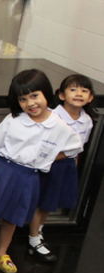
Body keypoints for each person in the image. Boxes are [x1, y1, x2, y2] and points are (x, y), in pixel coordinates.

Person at [0, 69, 82, 273]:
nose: (30, 103)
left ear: (46, 93)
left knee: (12, 217)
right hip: (1, 170)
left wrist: (47, 158)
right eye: (23, 99)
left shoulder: (59, 125)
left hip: (28, 176)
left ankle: (1, 252)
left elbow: (74, 148)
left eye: (34, 96)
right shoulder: (13, 119)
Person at [31, 74, 95, 258]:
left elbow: (78, 148)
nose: (78, 94)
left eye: (84, 91)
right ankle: (33, 239)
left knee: (50, 203)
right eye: (73, 89)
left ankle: (39, 231)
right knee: (41, 203)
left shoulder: (87, 121)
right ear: (61, 95)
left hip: (67, 165)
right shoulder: (52, 116)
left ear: (90, 97)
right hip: (49, 164)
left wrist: (73, 167)